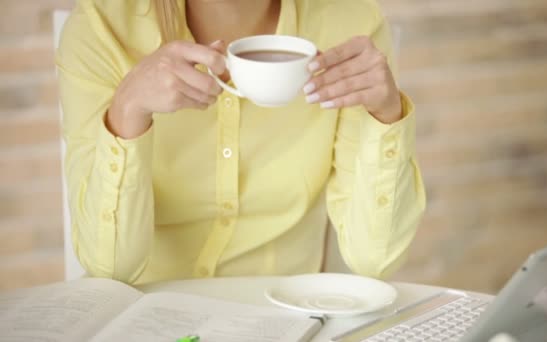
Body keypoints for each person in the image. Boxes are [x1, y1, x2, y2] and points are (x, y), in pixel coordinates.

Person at [56, 0, 426, 285]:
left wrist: (386, 114)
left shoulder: (349, 24)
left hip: (283, 320)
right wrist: (127, 108)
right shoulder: (102, 29)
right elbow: (111, 267)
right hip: (144, 322)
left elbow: (374, 258)